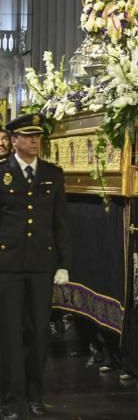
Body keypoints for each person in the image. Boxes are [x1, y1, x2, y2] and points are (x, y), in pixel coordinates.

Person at [0, 114, 71, 419]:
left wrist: (64, 263)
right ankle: (10, 398)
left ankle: (34, 394)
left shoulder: (52, 175)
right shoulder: (2, 173)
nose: (34, 142)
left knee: (39, 332)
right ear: (13, 140)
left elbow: (61, 223)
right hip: (7, 265)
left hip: (42, 264)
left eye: (37, 137)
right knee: (9, 333)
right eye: (27, 137)